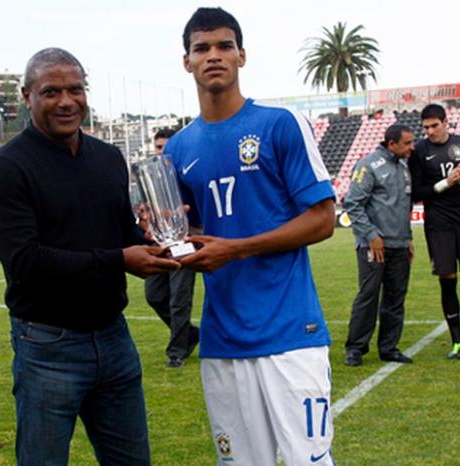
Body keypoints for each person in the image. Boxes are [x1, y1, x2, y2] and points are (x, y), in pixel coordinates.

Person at [0, 48, 180, 466]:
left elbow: (121, 234)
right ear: (26, 96)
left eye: (76, 89)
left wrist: (163, 242)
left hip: (114, 337)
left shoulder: (107, 158)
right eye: (51, 91)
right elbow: (26, 263)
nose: (66, 101)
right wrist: (120, 259)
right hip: (48, 344)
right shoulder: (6, 169)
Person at [167, 8, 336, 465]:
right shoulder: (179, 148)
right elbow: (191, 232)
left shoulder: (280, 124)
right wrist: (169, 237)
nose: (213, 55)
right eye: (202, 48)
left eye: (224, 46)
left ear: (242, 55)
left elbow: (323, 218)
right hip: (222, 342)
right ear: (187, 62)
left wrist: (237, 249)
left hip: (291, 336)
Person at [408, 103, 460, 360]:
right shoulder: (419, 151)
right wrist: (446, 182)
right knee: (448, 281)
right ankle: (457, 342)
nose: (429, 131)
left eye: (434, 125)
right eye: (425, 127)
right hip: (438, 226)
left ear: (445, 121)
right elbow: (418, 192)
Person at [343, 124, 415, 366]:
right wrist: (372, 235)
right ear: (391, 143)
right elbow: (352, 203)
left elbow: (404, 206)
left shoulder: (404, 167)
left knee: (396, 297)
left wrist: (408, 239)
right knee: (369, 295)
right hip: (373, 246)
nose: (411, 147)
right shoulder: (368, 165)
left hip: (400, 244)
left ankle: (389, 347)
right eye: (407, 143)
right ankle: (355, 348)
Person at [144, 128, 199, 368]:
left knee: (179, 297)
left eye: (166, 147)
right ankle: (191, 334)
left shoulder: (189, 174)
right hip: (159, 244)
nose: (162, 152)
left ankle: (176, 351)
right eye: (158, 147)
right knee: (154, 295)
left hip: (184, 242)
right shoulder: (150, 177)